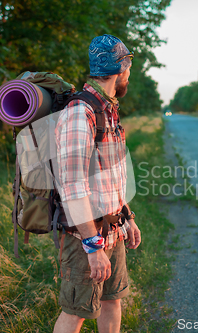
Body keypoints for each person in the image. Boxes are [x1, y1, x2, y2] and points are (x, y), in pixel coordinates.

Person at [53, 34, 141, 333]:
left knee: (112, 300)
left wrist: (126, 216)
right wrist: (93, 247)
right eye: (129, 67)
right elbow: (71, 187)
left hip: (112, 230)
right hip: (85, 238)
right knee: (76, 312)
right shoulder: (81, 112)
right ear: (120, 69)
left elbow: (108, 175)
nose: (129, 74)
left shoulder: (108, 109)